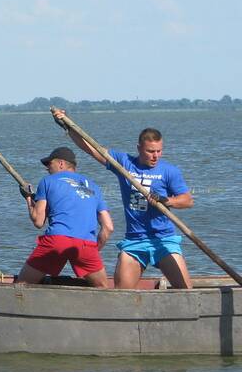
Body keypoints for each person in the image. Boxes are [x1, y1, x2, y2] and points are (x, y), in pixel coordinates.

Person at [52, 108, 194, 289]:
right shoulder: (124, 163)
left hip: (163, 240)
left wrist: (167, 201)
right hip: (135, 241)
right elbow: (92, 149)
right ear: (139, 149)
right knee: (122, 294)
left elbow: (188, 200)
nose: (156, 156)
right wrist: (67, 125)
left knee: (186, 291)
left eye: (159, 151)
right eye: (151, 151)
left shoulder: (169, 171)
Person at [17, 146, 114, 287]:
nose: (47, 169)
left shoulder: (47, 181)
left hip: (57, 241)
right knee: (104, 289)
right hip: (86, 244)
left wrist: (28, 198)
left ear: (61, 163)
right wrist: (92, 250)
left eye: (49, 164)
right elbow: (108, 227)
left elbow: (38, 221)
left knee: (21, 286)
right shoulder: (94, 186)